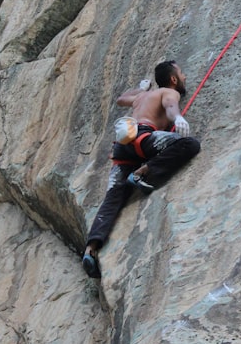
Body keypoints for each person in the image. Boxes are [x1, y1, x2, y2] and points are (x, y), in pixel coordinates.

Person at [82, 60, 201, 278]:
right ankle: (143, 172)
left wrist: (141, 87)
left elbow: (121, 99)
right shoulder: (168, 92)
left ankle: (91, 249)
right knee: (189, 144)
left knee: (113, 198)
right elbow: (171, 108)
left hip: (122, 147)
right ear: (173, 79)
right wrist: (178, 118)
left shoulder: (142, 97)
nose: (185, 78)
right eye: (182, 74)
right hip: (145, 138)